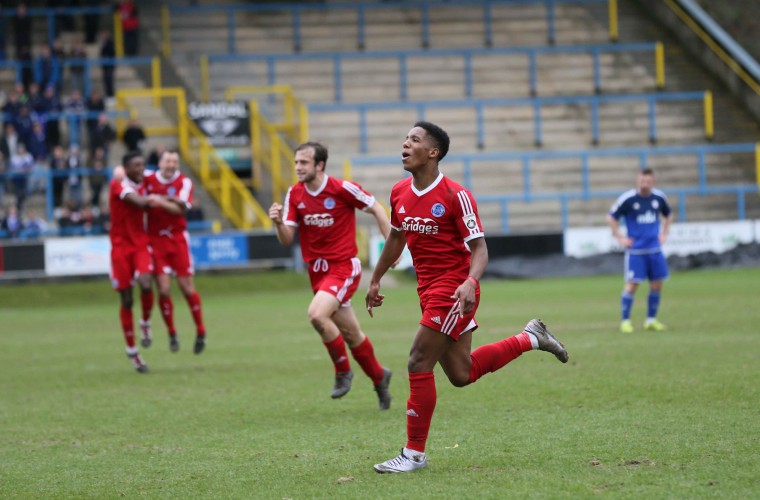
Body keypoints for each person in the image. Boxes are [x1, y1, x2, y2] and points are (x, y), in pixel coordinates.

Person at [366, 121, 569, 473]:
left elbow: (480, 249)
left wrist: (470, 283)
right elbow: (396, 239)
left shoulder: (455, 196)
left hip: (454, 289)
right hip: (428, 290)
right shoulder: (399, 192)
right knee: (462, 373)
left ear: (434, 152)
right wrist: (375, 279)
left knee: (417, 361)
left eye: (414, 139)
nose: (405, 144)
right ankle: (531, 338)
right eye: (405, 138)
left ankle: (413, 455)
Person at [268, 141, 393, 410]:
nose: (298, 167)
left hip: (344, 267)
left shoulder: (341, 188)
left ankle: (342, 371)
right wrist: (278, 222)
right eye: (296, 162)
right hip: (318, 273)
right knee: (351, 334)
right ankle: (379, 376)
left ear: (319, 165)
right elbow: (287, 238)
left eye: (304, 162)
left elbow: (377, 208)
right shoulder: (295, 194)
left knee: (316, 315)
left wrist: (391, 248)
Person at [108, 152, 176, 373]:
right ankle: (132, 351)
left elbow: (162, 177)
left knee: (147, 283)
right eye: (135, 166)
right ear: (126, 168)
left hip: (140, 245)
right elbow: (136, 202)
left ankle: (145, 323)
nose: (140, 170)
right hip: (120, 248)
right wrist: (163, 201)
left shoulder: (145, 179)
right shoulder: (117, 184)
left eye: (142, 166)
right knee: (126, 300)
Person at [143, 150, 207, 354]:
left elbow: (180, 208)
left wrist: (159, 201)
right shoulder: (148, 179)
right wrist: (169, 200)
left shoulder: (184, 182)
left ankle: (201, 331)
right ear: (159, 163)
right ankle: (171, 332)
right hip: (156, 241)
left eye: (174, 162)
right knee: (162, 288)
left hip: (177, 239)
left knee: (186, 287)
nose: (171, 165)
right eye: (167, 161)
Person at [607, 168, 672, 333]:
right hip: (636, 252)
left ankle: (651, 320)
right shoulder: (628, 199)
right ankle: (625, 321)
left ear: (653, 182)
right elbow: (611, 217)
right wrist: (620, 237)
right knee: (632, 285)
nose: (645, 184)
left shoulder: (659, 197)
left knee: (657, 284)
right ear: (638, 181)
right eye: (643, 181)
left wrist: (664, 233)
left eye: (648, 181)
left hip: (655, 250)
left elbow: (668, 215)